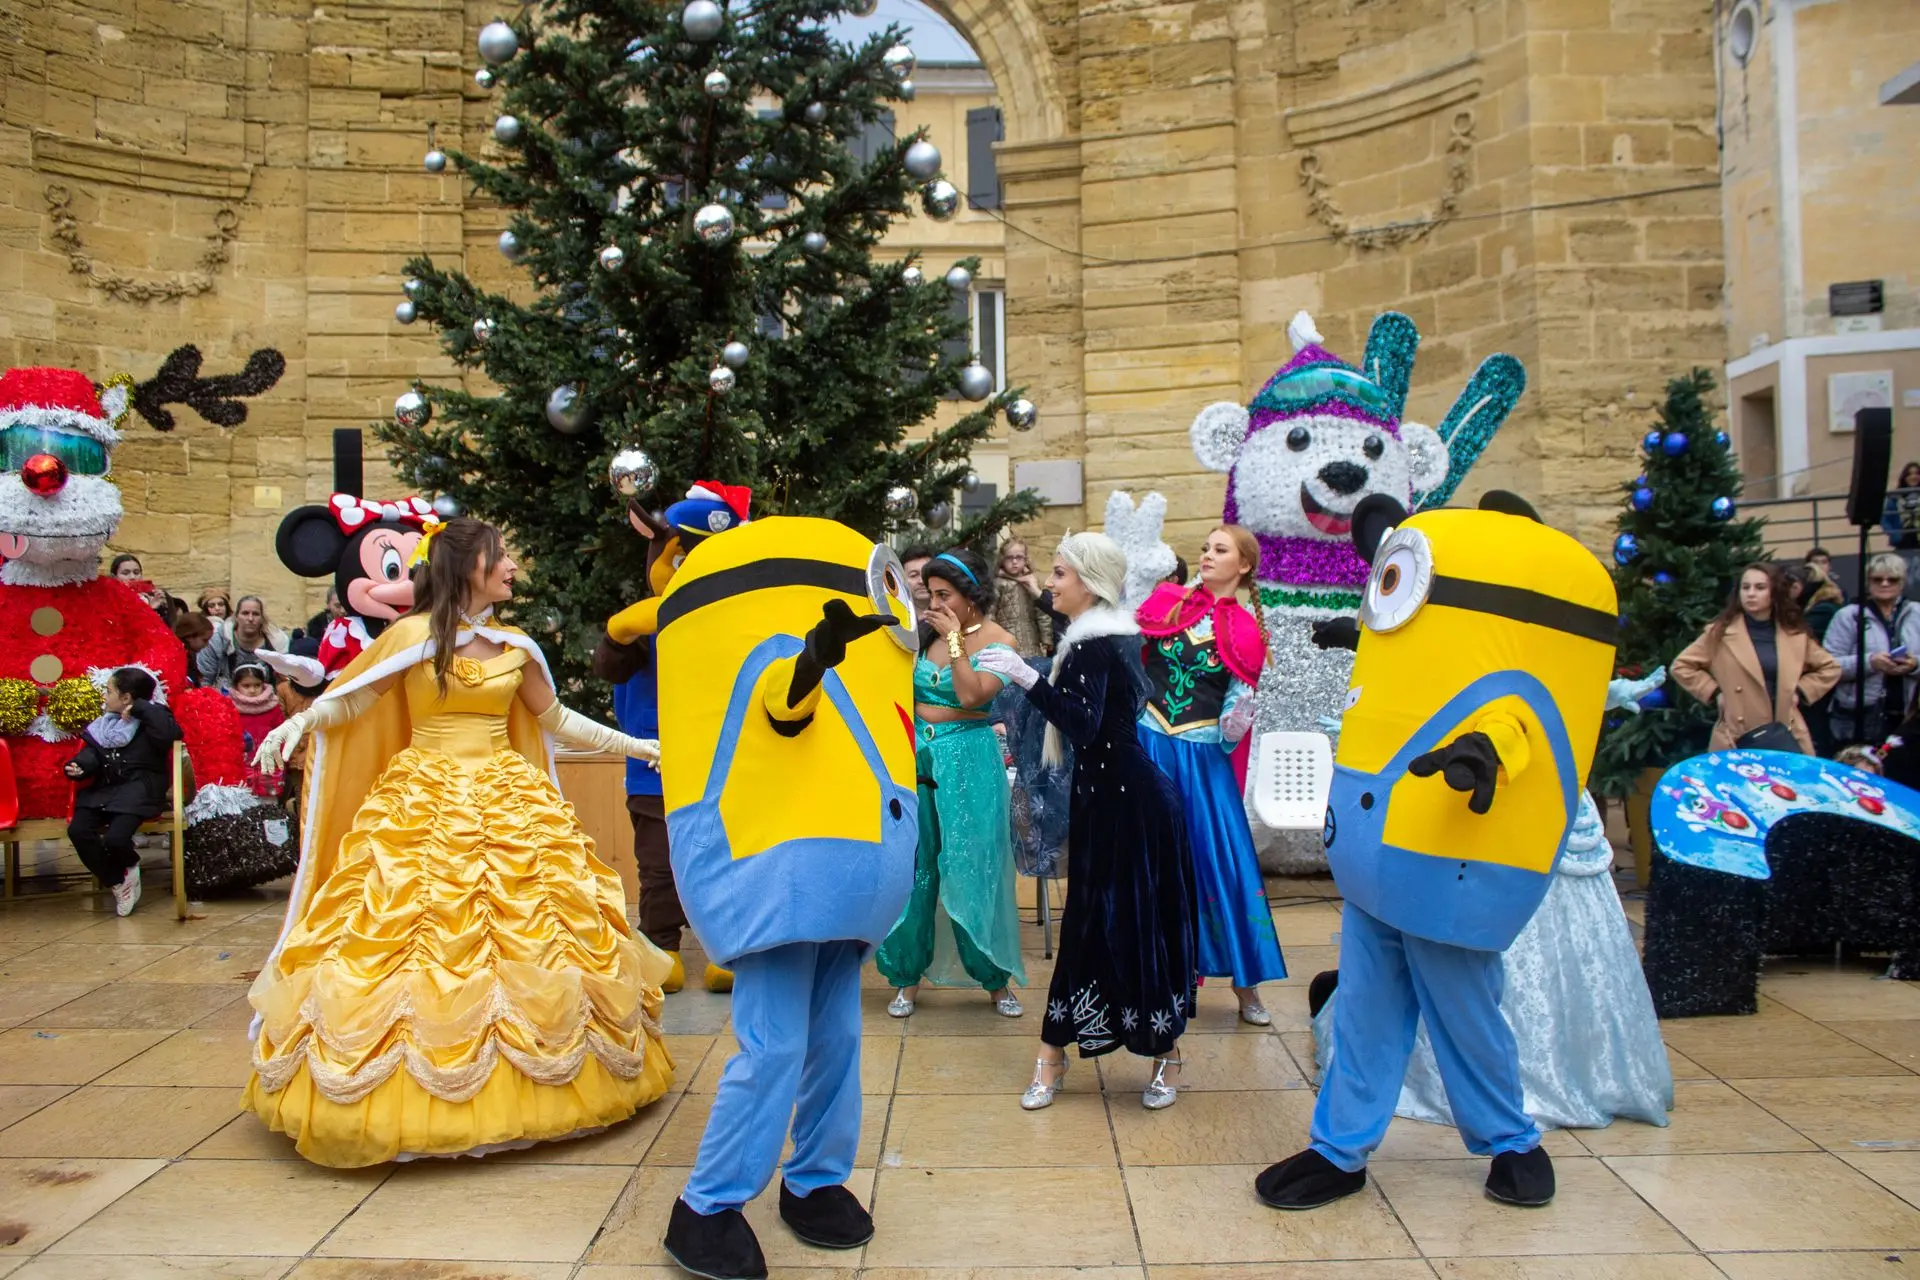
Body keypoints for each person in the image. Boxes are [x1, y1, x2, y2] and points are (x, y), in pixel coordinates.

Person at [243, 518, 674, 1167]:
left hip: (508, 800)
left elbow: (555, 717)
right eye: (501, 557)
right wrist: (300, 721)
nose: (513, 568)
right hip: (423, 800)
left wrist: (634, 745)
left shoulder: (515, 644)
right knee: (407, 924)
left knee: (535, 923)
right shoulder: (410, 637)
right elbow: (352, 701)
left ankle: (542, 1071)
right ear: (468, 566)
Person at [654, 517, 918, 1280]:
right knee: (773, 1046)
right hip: (774, 860)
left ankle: (814, 1180)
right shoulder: (781, 658)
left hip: (850, 862)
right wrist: (814, 658)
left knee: (837, 1035)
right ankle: (705, 1207)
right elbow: (781, 702)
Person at [1309, 677, 1675, 1134]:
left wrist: (1596, 692)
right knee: (1419, 970)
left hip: (1533, 803)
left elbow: (1548, 685)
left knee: (1467, 977)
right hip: (1452, 797)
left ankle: (1516, 1115)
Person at [975, 533, 1198, 1113]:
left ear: (1089, 583)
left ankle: (1164, 1051)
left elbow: (1084, 725)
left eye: (1059, 573)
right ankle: (1054, 1052)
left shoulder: (1097, 645)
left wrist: (1026, 678)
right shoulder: (1094, 638)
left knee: (1134, 926)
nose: (1049, 583)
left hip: (1131, 809)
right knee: (1088, 926)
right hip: (1108, 802)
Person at [1135, 526, 1286, 1024]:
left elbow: (1234, 709)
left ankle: (1246, 985)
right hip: (1149, 745)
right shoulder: (1168, 602)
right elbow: (1134, 666)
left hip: (1202, 760)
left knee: (1222, 862)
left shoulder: (1246, 629)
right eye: (1205, 548)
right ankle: (1147, 972)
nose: (1207, 555)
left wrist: (1234, 723)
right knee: (1145, 859)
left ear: (1243, 565)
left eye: (1220, 550)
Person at [877, 548, 1027, 1019]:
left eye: (945, 595)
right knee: (916, 867)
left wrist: (956, 641)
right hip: (917, 759)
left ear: (971, 596)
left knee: (972, 866)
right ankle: (906, 977)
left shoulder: (1001, 640)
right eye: (931, 594)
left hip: (969, 761)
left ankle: (995, 980)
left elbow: (971, 694)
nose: (935, 603)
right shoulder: (922, 636)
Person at [1671, 562, 1839, 754]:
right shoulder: (1720, 633)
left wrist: (1801, 691)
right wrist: (1714, 692)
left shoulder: (1794, 634)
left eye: (1760, 587)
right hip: (1737, 736)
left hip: (1786, 734)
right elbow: (1681, 665)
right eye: (1745, 587)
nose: (1750, 594)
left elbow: (1830, 668)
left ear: (1774, 592)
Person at [63, 667, 182, 917]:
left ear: (126, 697)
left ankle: (129, 864)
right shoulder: (104, 723)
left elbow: (171, 735)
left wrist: (139, 708)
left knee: (116, 839)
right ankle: (118, 881)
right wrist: (79, 766)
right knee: (78, 831)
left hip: (139, 791)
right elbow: (92, 754)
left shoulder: (153, 717)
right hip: (104, 791)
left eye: (109, 691)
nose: (104, 697)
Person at [1821, 553, 1920, 748]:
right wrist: (1870, 662)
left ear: (1902, 583)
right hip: (1858, 716)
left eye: (1892, 579)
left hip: (1909, 715)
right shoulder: (1848, 616)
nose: (1884, 583)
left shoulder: (1917, 613)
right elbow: (1827, 665)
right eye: (1877, 579)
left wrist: (1914, 664)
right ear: (1868, 582)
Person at [199, 595, 289, 691]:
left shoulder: (277, 644)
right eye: (245, 613)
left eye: (255, 614)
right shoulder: (217, 641)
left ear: (262, 618)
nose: (250, 618)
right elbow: (206, 682)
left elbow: (284, 682)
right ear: (236, 617)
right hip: (225, 696)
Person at [229, 660, 287, 799]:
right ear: (236, 686)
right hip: (241, 764)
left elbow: (282, 734)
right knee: (243, 802)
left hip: (269, 764)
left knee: (269, 803)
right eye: (246, 686)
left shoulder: (272, 706)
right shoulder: (229, 707)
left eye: (257, 685)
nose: (252, 690)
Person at [989, 537, 1054, 658]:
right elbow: (990, 613)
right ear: (1002, 560)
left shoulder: (1032, 582)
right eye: (1009, 557)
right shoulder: (998, 584)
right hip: (1007, 641)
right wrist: (992, 639)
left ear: (1025, 559)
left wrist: (1046, 637)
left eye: (1019, 557)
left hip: (1031, 640)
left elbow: (1042, 613)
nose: (1014, 562)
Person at [1885, 464, 1920, 551]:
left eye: (1917, 473)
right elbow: (1885, 519)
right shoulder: (1895, 497)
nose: (1913, 477)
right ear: (1904, 477)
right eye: (1909, 474)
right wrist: (1895, 534)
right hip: (1902, 540)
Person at [173, 613, 215, 686]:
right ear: (189, 637)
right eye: (205, 640)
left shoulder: (190, 654)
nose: (207, 645)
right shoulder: (174, 658)